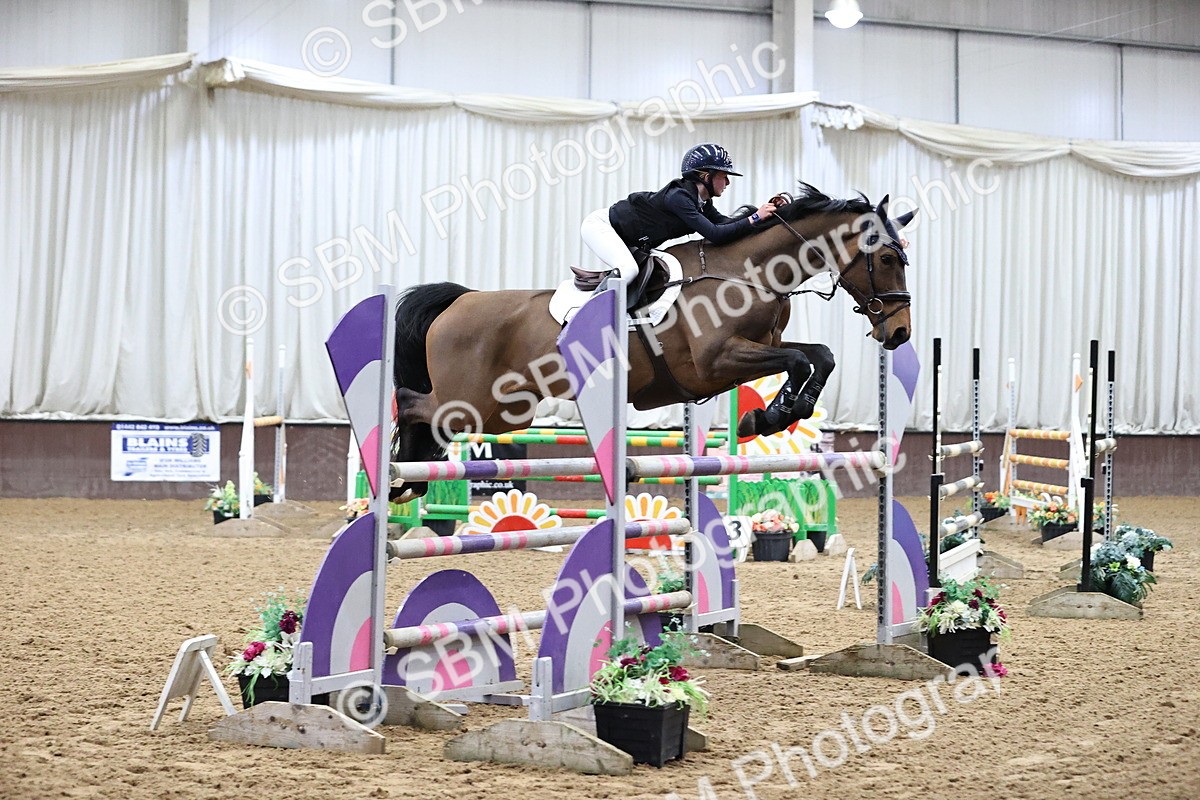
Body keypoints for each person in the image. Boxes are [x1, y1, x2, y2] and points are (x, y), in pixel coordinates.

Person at [579, 143, 778, 284]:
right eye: (724, 176)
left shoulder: (702, 202)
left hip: (633, 239)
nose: (728, 183)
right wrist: (754, 217)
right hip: (601, 227)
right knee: (628, 271)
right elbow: (716, 234)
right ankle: (590, 318)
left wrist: (765, 215)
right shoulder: (678, 198)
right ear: (706, 176)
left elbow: (725, 223)